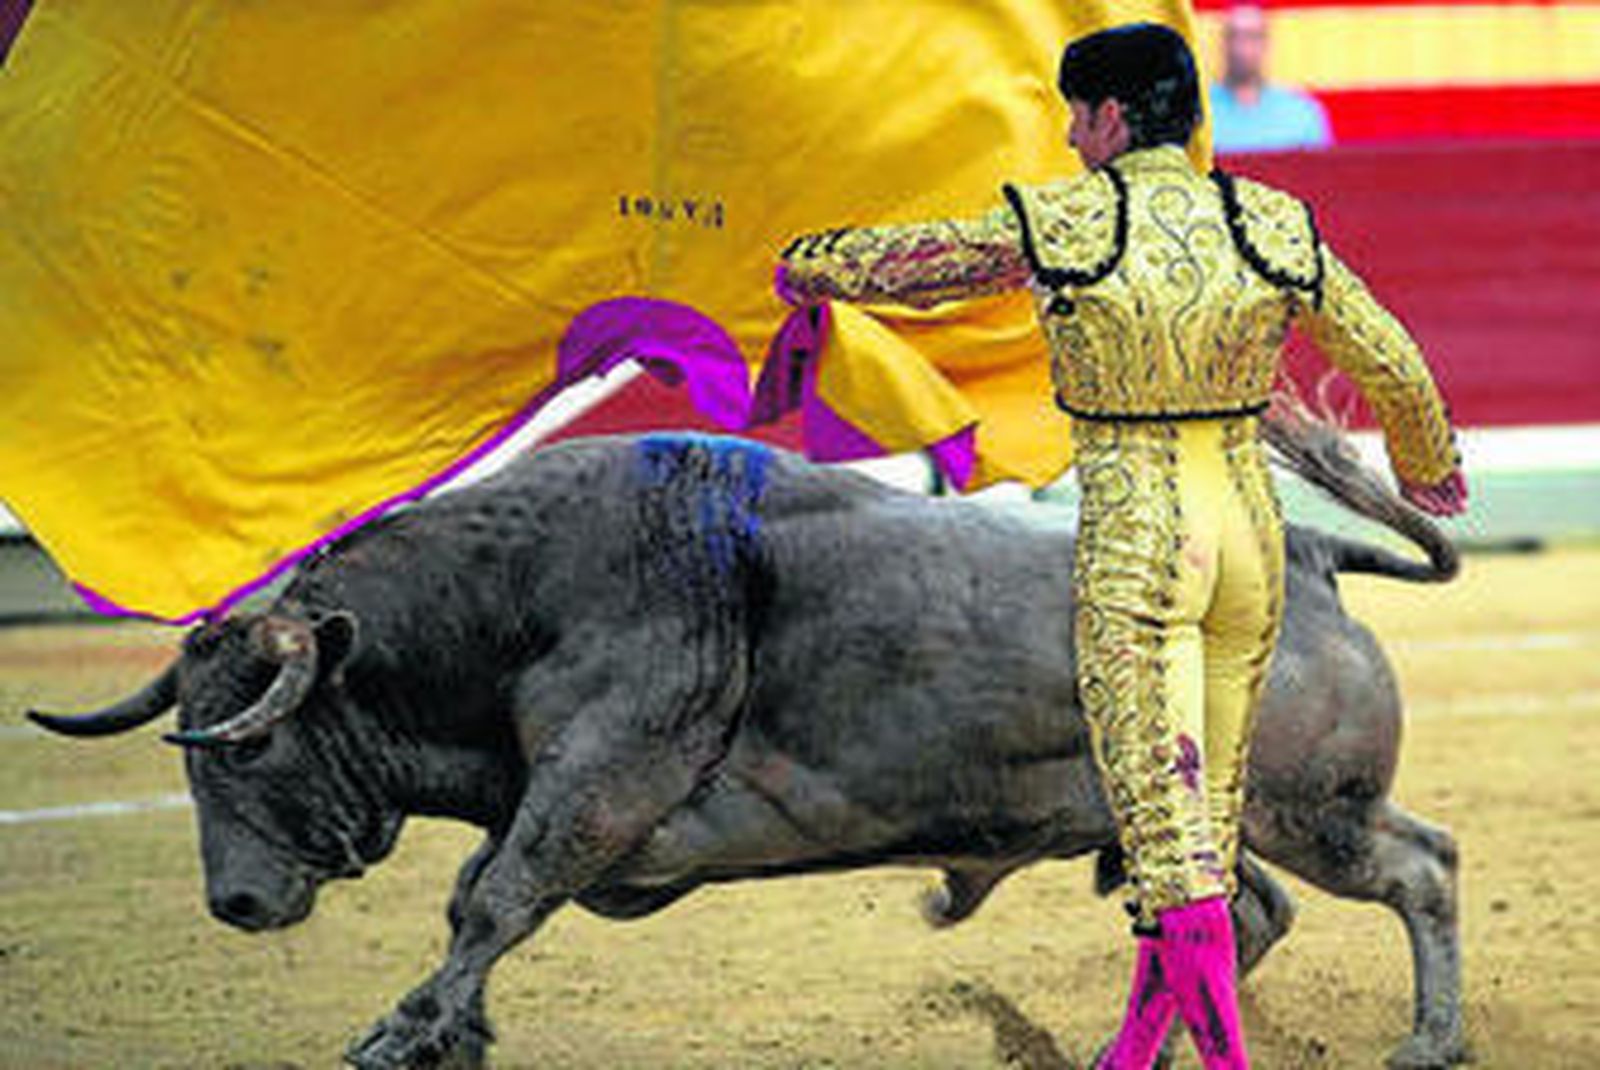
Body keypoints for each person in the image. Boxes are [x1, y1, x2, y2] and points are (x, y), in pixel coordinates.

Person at [774, 22, 1466, 1070]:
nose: (1065, 133)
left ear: (1107, 117)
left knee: (1170, 840)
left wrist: (810, 267)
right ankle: (1136, 1051)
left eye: (1073, 113)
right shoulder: (1269, 217)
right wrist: (1426, 462)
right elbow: (1390, 356)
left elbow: (925, 265)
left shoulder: (1069, 216)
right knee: (1202, 815)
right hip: (1248, 542)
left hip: (1144, 542)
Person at [1209, 4, 1331, 153]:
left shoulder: (1302, 114)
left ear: (1266, 44)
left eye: (1252, 37)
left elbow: (1322, 173)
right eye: (1234, 36)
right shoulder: (1196, 112)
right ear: (1223, 44)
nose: (1241, 48)